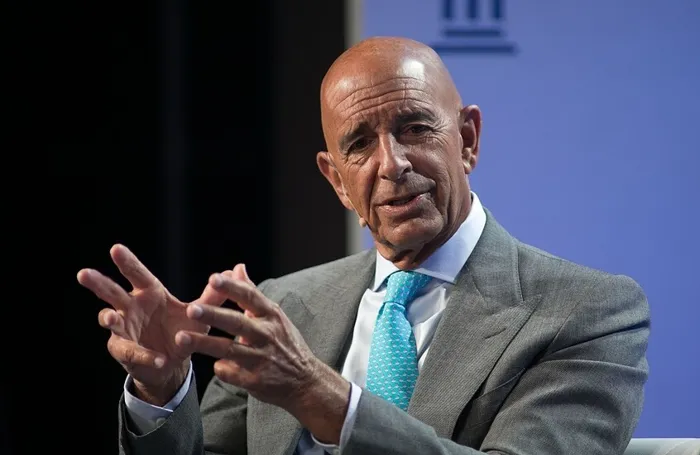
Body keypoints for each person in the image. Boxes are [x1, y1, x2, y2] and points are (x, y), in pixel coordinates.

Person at [77, 36, 650, 454]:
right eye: (359, 145)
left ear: (467, 139)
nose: (392, 164)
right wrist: (163, 392)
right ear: (336, 180)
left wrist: (319, 395)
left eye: (415, 128)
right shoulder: (283, 305)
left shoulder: (585, 311)